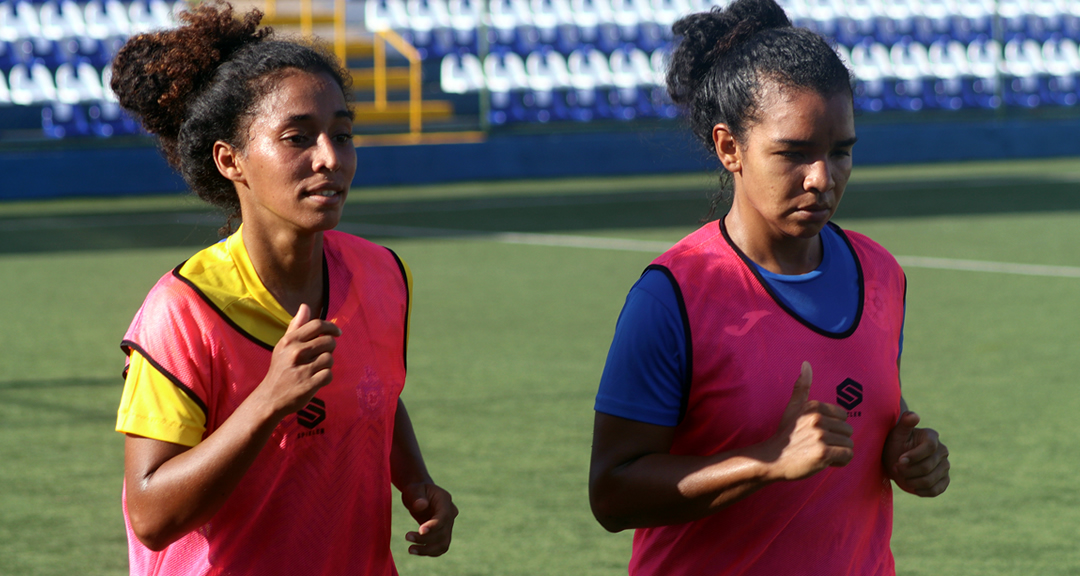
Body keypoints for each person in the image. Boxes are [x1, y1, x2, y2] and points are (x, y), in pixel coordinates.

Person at [588, 0, 950, 574]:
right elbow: (611, 494)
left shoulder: (881, 273)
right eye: (794, 153)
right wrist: (765, 462)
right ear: (730, 148)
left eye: (841, 151)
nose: (822, 178)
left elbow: (867, 412)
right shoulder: (673, 296)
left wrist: (907, 456)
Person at [111, 4, 457, 574]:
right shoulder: (183, 311)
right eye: (298, 137)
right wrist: (268, 400)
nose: (330, 158)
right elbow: (151, 516)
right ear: (232, 161)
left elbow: (377, 392)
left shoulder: (384, 275)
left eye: (342, 135)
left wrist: (416, 480)